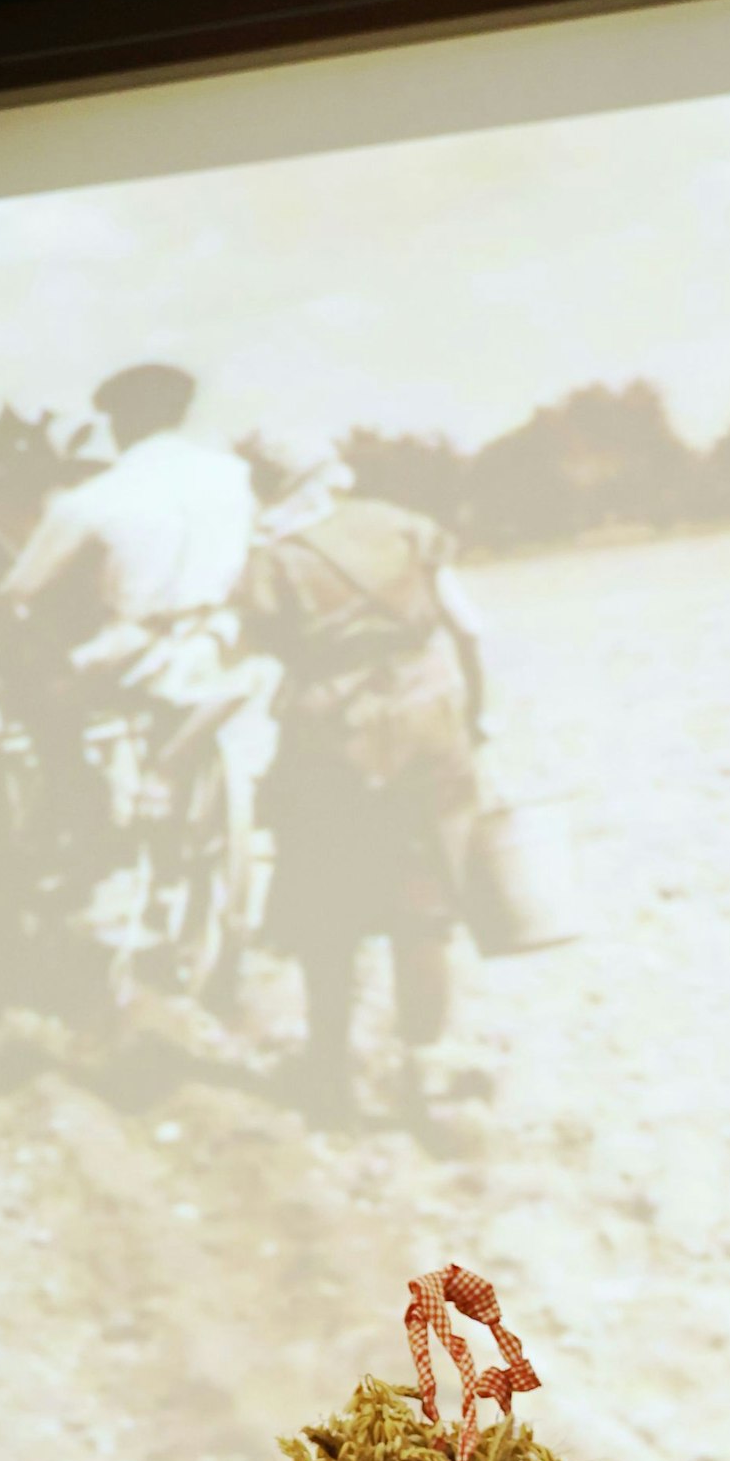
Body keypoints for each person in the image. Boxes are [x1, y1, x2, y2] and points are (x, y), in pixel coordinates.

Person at [238, 430, 486, 1128]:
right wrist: (477, 718)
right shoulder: (406, 528)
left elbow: (254, 657)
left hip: (331, 740)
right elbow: (470, 630)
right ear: (332, 476)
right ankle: (427, 1076)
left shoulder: (272, 562)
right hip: (428, 720)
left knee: (328, 910)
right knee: (424, 904)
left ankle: (328, 1074)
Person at [0, 362, 256, 887]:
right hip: (226, 637)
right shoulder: (234, 476)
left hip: (138, 645)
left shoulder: (95, 498)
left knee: (46, 701)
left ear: (120, 422)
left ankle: (82, 816)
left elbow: (20, 590)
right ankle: (166, 797)